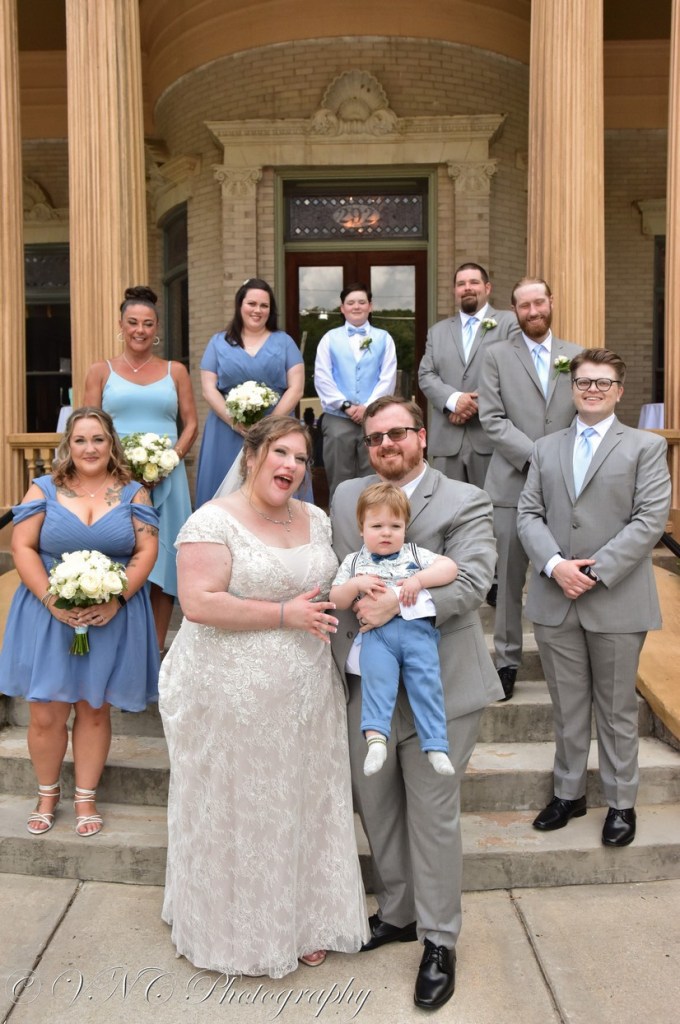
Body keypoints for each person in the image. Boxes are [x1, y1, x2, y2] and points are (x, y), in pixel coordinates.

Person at [158, 416, 367, 979]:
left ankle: (307, 920)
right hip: (233, 692)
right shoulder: (211, 521)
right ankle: (238, 929)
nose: (291, 466)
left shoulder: (315, 518)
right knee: (245, 807)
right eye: (280, 453)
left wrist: (365, 590)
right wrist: (282, 615)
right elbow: (198, 603)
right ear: (251, 456)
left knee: (304, 801)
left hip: (307, 690)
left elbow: (324, 590)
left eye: (301, 458)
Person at [331, 396, 502, 1010]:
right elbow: (336, 570)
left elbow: (473, 579)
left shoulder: (463, 499)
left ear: (422, 436)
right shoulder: (345, 494)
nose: (386, 445)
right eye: (375, 438)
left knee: (433, 816)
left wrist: (397, 605)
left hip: (440, 684)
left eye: (398, 433)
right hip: (366, 684)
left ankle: (438, 940)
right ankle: (399, 912)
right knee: (377, 809)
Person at [517, 350, 671, 847]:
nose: (593, 390)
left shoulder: (645, 447)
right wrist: (555, 565)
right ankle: (568, 794)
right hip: (555, 595)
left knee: (617, 709)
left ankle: (621, 801)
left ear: (619, 391)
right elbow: (528, 515)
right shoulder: (545, 448)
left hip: (616, 599)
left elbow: (650, 519)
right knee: (567, 707)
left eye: (603, 383)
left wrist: (594, 571)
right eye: (584, 382)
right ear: (573, 388)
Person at [0, 408, 160, 837]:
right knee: (45, 713)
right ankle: (46, 794)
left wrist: (117, 600)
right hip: (49, 614)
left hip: (110, 616)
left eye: (98, 439)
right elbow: (22, 546)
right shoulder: (43, 488)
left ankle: (85, 797)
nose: (90, 448)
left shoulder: (134, 494)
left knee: (94, 708)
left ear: (112, 444)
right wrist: (51, 598)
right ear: (67, 445)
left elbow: (146, 551)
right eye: (81, 440)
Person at [478, 278, 582, 700]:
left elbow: (586, 413)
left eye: (539, 302)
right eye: (525, 305)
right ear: (514, 310)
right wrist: (538, 457)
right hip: (511, 483)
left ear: (551, 302)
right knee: (508, 578)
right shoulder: (496, 356)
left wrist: (558, 460)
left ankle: (564, 658)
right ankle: (506, 661)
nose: (533, 311)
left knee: (559, 572)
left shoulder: (576, 355)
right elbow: (492, 419)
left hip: (565, 486)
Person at [83, 285, 197, 653]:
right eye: (133, 322)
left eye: (147, 323)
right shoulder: (100, 371)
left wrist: (170, 460)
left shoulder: (175, 371)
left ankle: (155, 649)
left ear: (157, 327)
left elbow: (191, 424)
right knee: (119, 554)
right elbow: (88, 426)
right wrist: (117, 466)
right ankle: (120, 645)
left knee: (165, 559)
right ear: (121, 325)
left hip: (168, 480)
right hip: (115, 479)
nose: (140, 330)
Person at [330, 482, 457, 776]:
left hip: (417, 633)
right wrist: (355, 585)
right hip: (376, 635)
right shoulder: (354, 562)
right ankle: (376, 740)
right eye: (377, 526)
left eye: (395, 526)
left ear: (405, 528)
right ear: (361, 529)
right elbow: (336, 598)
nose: (386, 533)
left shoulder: (414, 554)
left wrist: (420, 580)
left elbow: (450, 568)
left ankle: (436, 744)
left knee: (426, 682)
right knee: (377, 682)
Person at [194, 278, 304, 507]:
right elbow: (208, 388)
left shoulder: (284, 342)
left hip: (276, 429)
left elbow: (296, 388)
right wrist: (234, 422)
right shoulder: (218, 342)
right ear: (240, 305)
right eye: (252, 303)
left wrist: (269, 426)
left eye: (264, 305)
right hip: (226, 429)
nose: (258, 310)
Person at [418, 262, 518, 489]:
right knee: (444, 505)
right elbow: (426, 374)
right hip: (447, 440)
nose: (467, 288)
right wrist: (453, 402)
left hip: (489, 438)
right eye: (461, 284)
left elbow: (512, 369)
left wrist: (470, 405)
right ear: (455, 291)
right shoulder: (437, 331)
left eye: (474, 282)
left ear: (487, 288)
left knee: (489, 505)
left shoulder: (509, 323)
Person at [314, 283, 397, 498]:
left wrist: (368, 407)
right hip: (338, 418)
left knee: (374, 476)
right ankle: (340, 518)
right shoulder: (329, 338)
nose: (356, 306)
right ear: (342, 308)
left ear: (370, 306)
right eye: (350, 303)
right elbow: (322, 377)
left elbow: (387, 377)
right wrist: (346, 406)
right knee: (339, 478)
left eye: (362, 302)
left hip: (374, 418)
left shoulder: (384, 338)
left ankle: (373, 517)